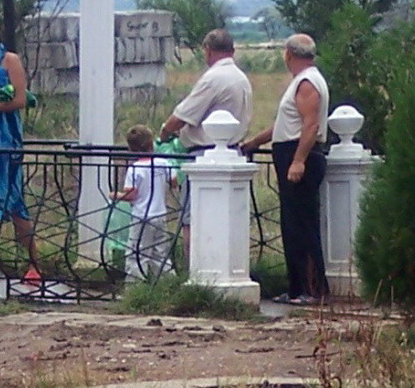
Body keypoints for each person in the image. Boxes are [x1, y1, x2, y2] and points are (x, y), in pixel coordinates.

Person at [242, 33, 330, 305]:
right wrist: (255, 142)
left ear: (288, 54)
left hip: (297, 155)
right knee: (292, 224)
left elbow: (310, 125)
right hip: (291, 152)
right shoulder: (303, 83)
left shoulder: (306, 84)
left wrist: (299, 160)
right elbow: (285, 123)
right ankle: (296, 288)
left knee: (301, 224)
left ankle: (310, 289)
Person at [157, 28, 253, 261]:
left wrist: (165, 133)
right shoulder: (241, 78)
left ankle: (197, 269)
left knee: (194, 219)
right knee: (227, 220)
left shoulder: (213, 78)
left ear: (208, 51)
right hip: (233, 153)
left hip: (204, 156)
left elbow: (184, 115)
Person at [0, 17, 42, 282]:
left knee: (14, 202)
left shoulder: (10, 61)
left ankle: (34, 262)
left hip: (6, 139)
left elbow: (19, 99)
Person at [112, 125, 173, 281]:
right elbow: (173, 181)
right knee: (160, 252)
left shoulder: (135, 169)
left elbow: (131, 194)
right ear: (152, 144)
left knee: (136, 253)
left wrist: (115, 195)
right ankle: (168, 282)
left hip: (141, 216)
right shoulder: (163, 163)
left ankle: (136, 285)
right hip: (160, 214)